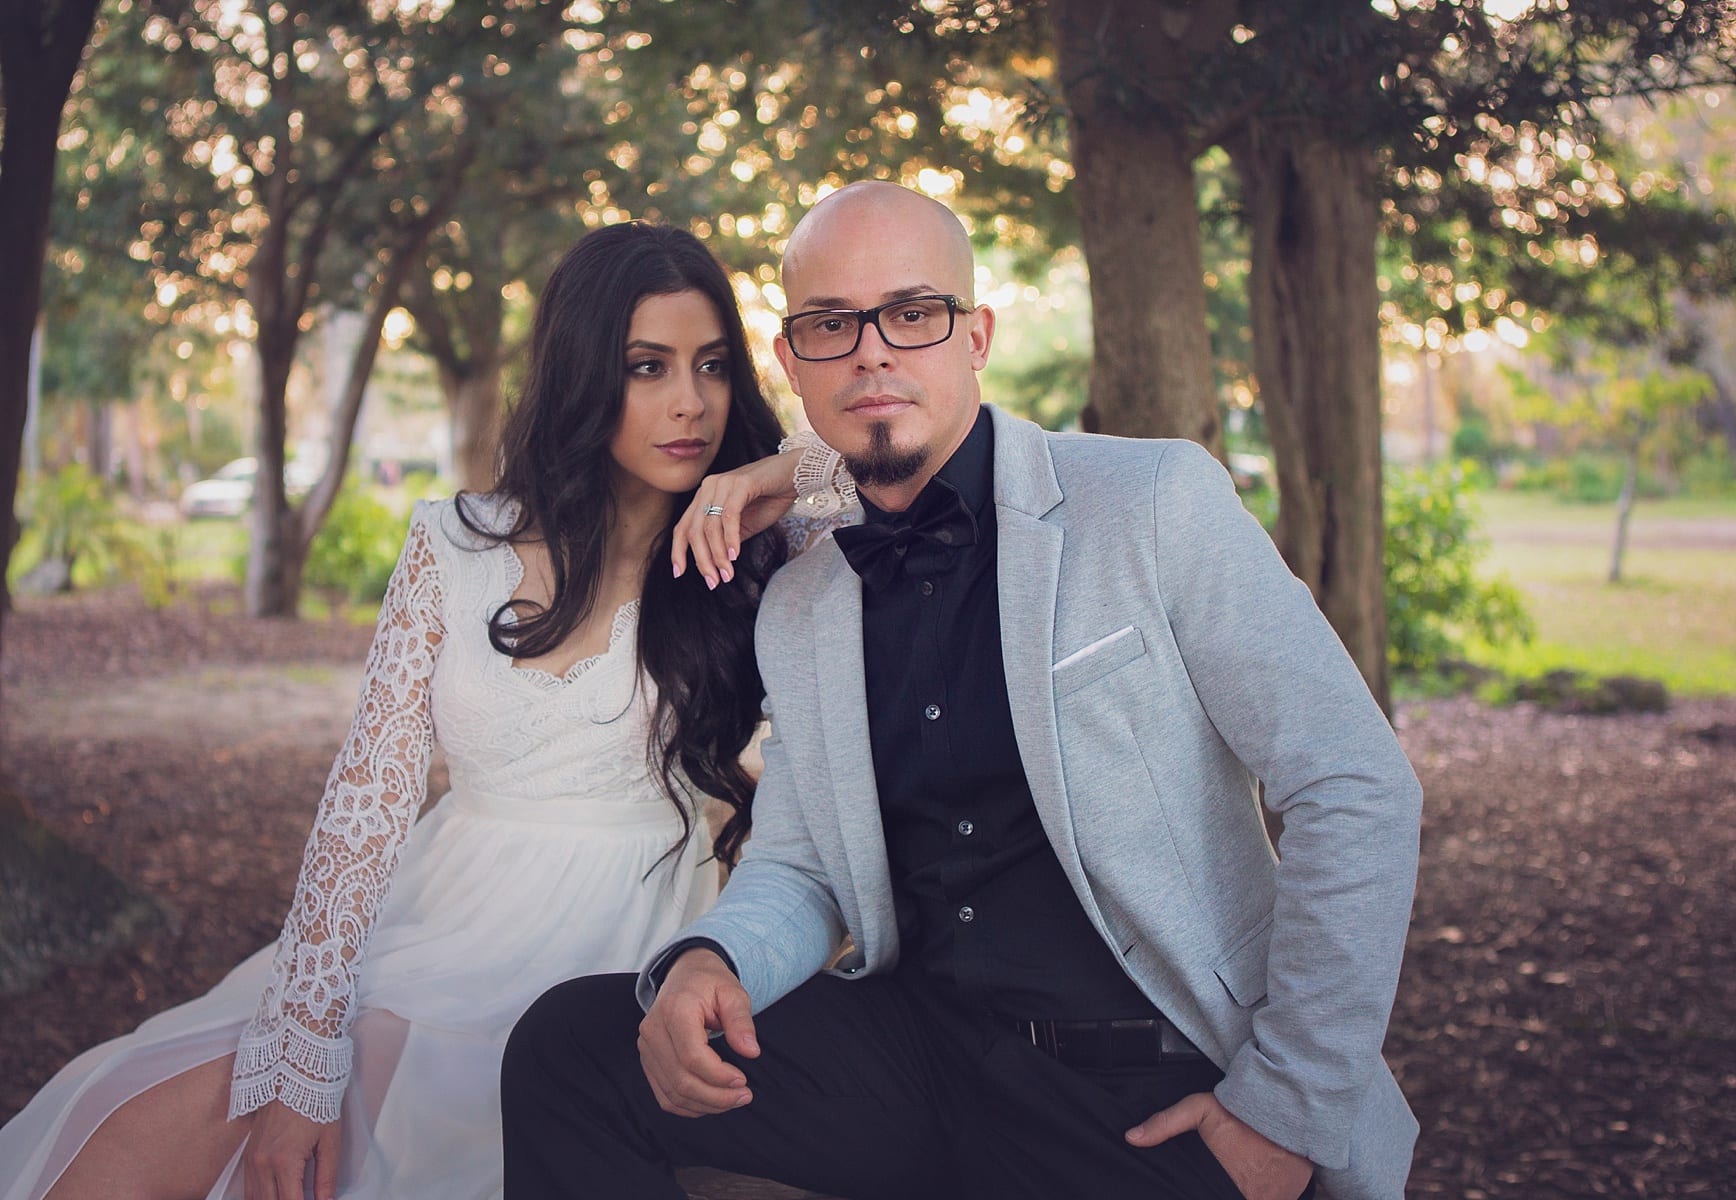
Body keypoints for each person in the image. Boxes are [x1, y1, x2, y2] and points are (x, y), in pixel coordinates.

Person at [501, 181, 1425, 1200]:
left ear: (975, 335)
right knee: (574, 1048)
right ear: (792, 361)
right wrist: (709, 961)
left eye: (911, 313)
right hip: (923, 1059)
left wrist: (1281, 1113)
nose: (871, 353)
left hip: (1147, 1085)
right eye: (831, 325)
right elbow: (803, 863)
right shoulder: (805, 603)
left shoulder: (1152, 502)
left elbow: (1354, 786)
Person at [0, 222, 849, 1200]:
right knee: (131, 1138)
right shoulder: (455, 543)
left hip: (621, 934)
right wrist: (306, 1042)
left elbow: (909, 458)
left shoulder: (762, 551)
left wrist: (766, 477)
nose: (690, 402)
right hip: (433, 914)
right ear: (580, 377)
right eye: (646, 367)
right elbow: (365, 804)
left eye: (710, 366)